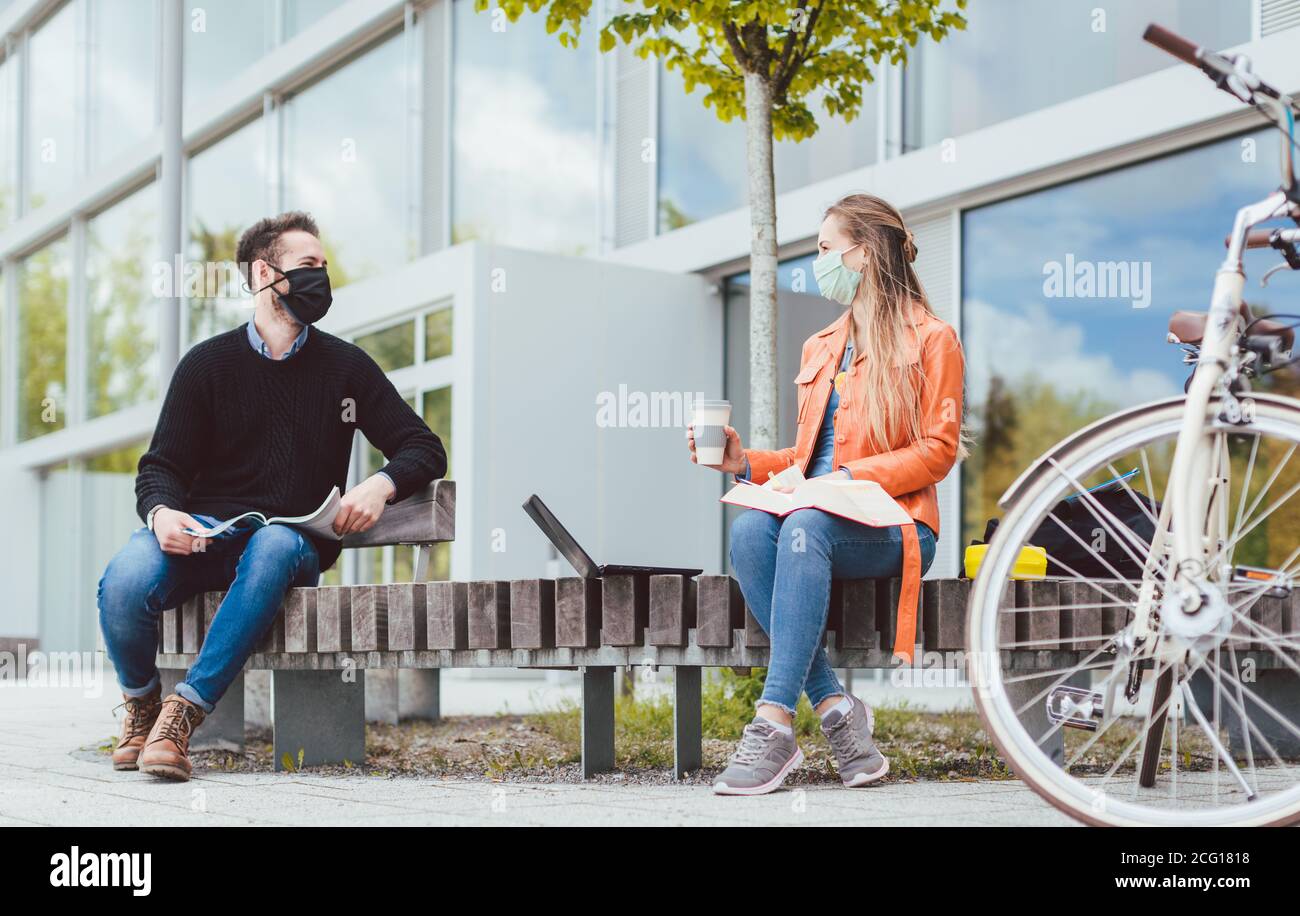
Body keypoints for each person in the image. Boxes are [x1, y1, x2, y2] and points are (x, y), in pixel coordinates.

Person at [98, 212, 446, 781]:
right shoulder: (206, 365)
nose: (321, 278)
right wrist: (161, 515)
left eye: (324, 267)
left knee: (275, 543)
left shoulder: (346, 367)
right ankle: (142, 707)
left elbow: (423, 447)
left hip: (289, 546)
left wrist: (381, 484)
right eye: (308, 265)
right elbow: (160, 467)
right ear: (265, 272)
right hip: (207, 536)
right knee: (125, 580)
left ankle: (181, 717)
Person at [687, 193, 965, 795]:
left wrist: (849, 483)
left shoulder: (933, 339)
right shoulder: (822, 345)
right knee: (749, 529)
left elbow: (938, 451)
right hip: (817, 516)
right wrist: (746, 462)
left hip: (897, 524)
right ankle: (838, 712)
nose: (817, 261)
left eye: (825, 248)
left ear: (863, 253)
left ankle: (774, 722)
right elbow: (807, 460)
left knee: (805, 522)